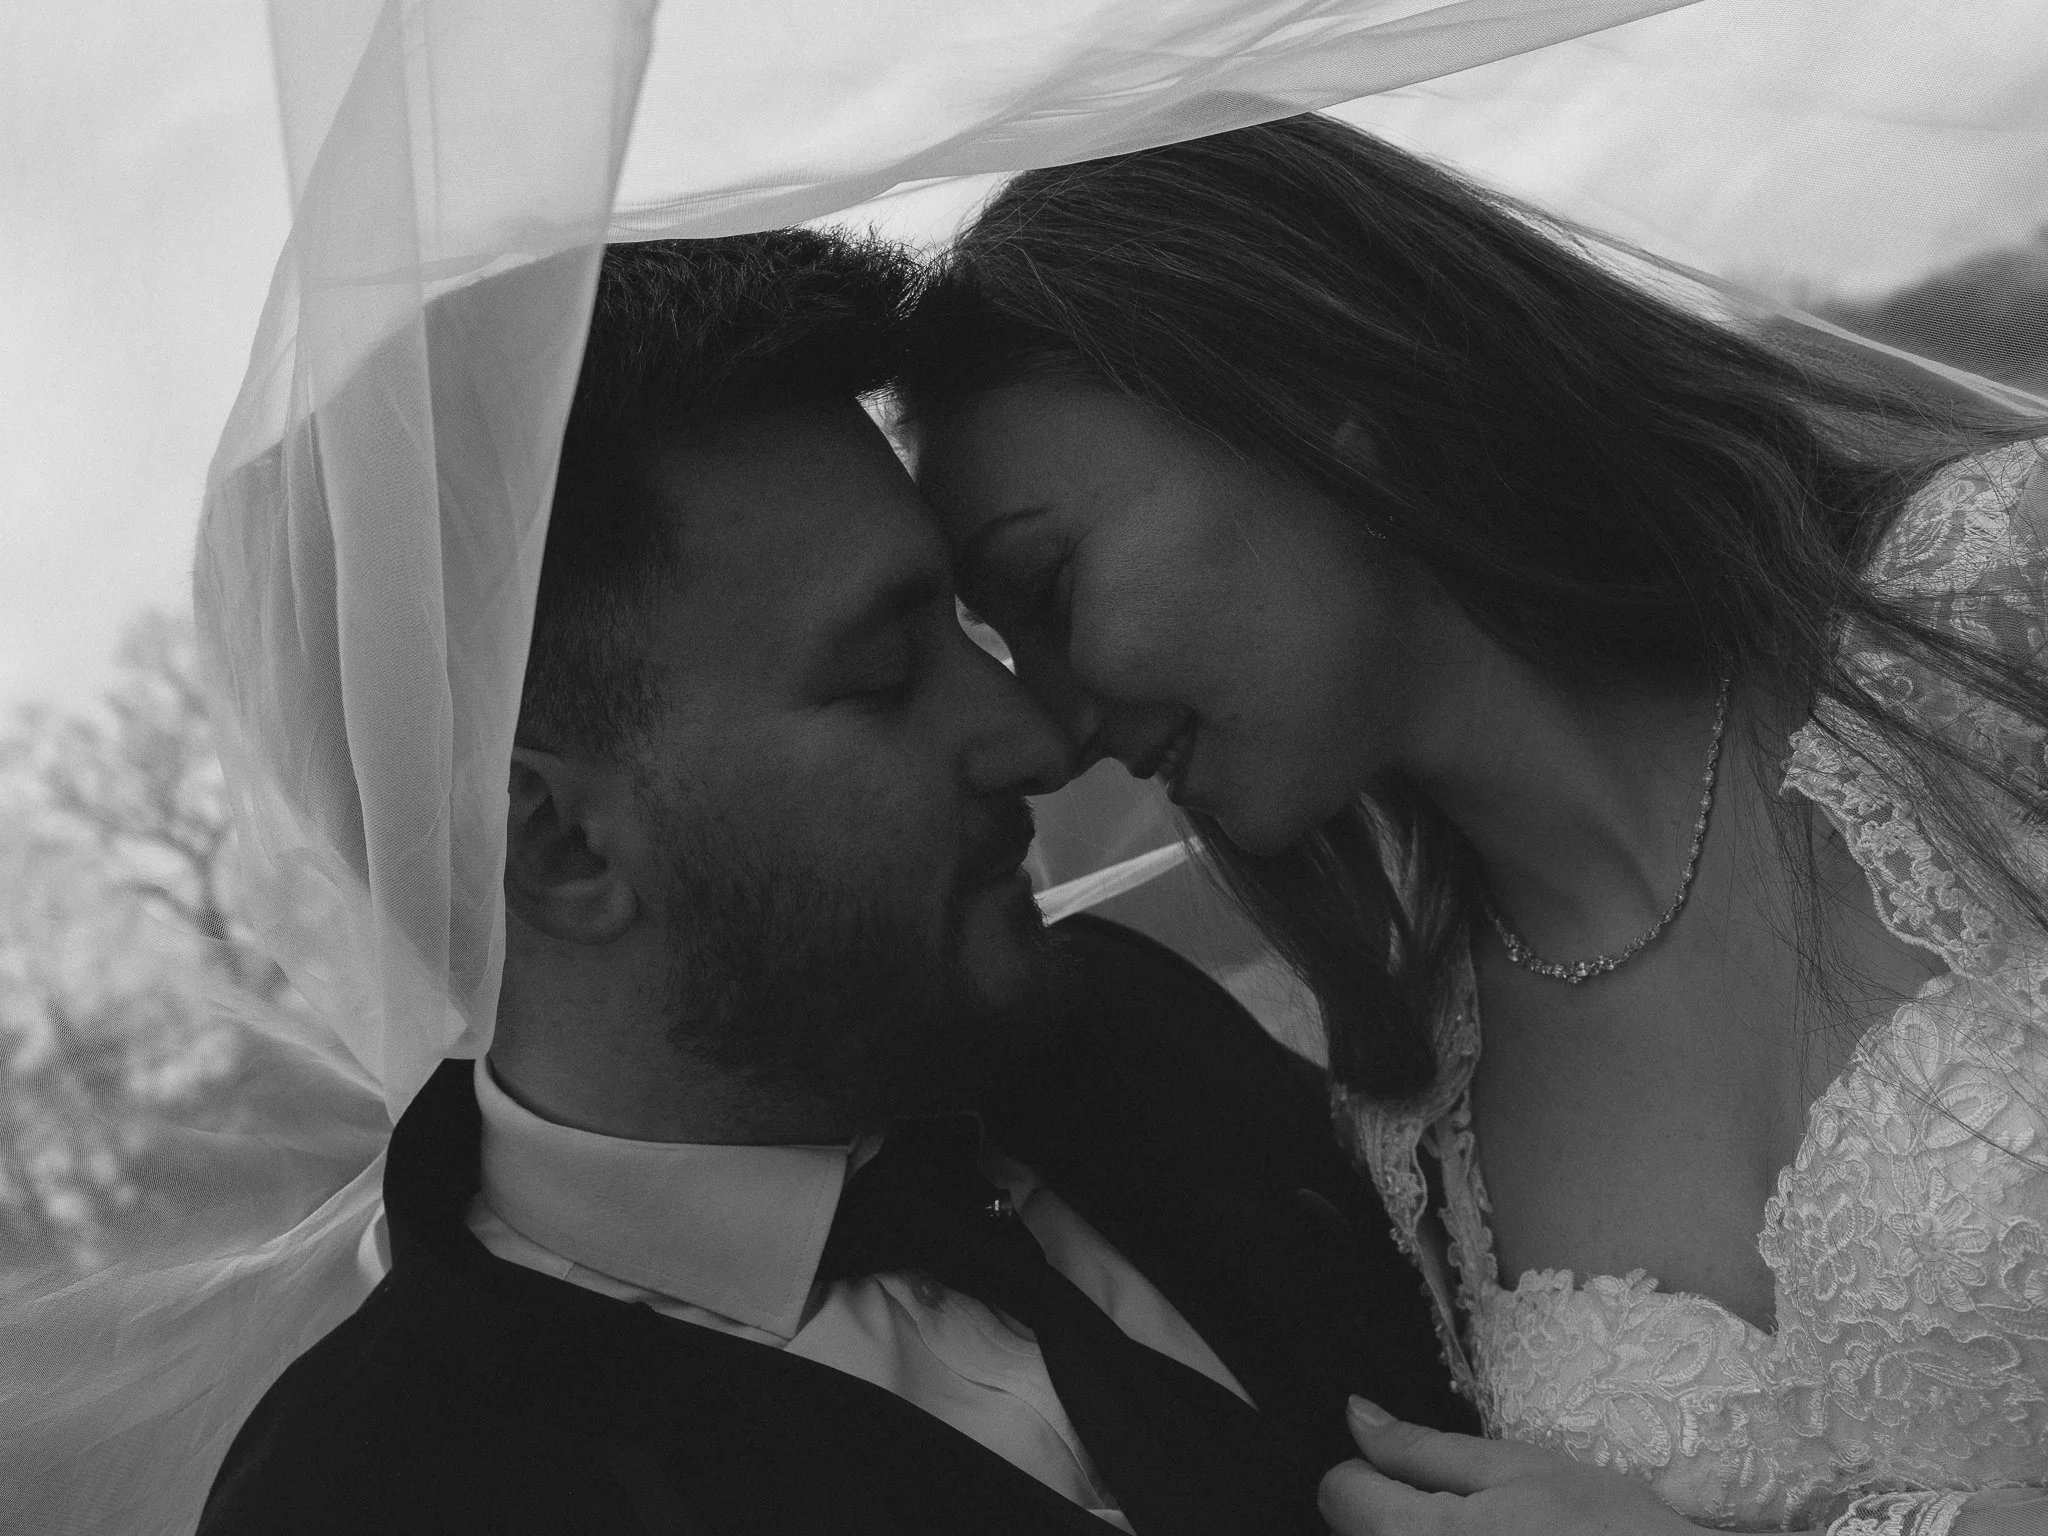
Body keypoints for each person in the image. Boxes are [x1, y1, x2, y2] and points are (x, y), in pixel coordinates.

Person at [193, 231, 1467, 1536]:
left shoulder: (1128, 1027)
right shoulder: (379, 1499)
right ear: (558, 845)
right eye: (880, 678)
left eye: (965, 633)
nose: (1036, 740)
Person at [900, 115, 2048, 1534]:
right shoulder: (1412, 1103)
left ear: (1307, 395)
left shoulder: (1997, 612)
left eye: (1047, 590)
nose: (1062, 724)